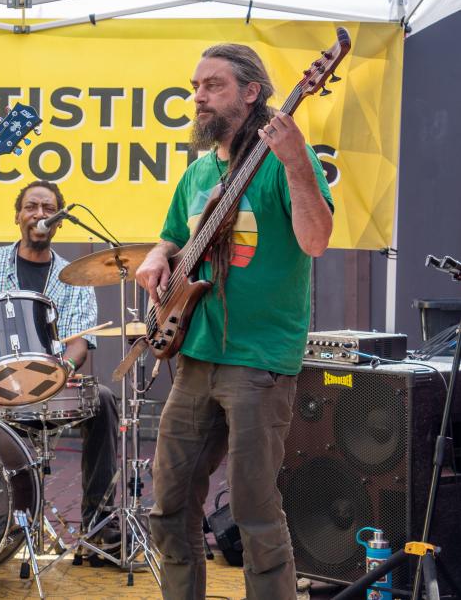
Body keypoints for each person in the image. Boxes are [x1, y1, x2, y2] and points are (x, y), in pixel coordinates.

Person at [135, 44, 334, 599]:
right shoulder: (199, 171)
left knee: (253, 508)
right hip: (196, 355)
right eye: (195, 86)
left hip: (258, 361)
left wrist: (296, 162)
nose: (197, 97)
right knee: (170, 501)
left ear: (252, 92)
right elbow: (174, 236)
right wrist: (156, 255)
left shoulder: (285, 160)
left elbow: (315, 240)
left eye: (212, 85)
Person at [0, 179, 120, 547]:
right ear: (18, 216)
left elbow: (80, 342)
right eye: (32, 207)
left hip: (52, 381)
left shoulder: (76, 277)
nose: (40, 215)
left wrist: (58, 374)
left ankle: (99, 524)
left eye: (48, 209)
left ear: (59, 220)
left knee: (105, 400)